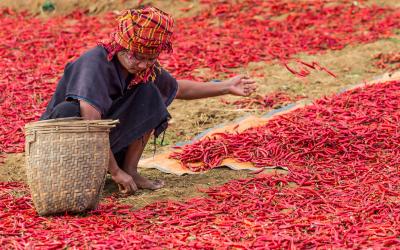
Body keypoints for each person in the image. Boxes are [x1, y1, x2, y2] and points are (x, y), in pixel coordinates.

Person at [40, 6, 257, 194]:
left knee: (150, 92)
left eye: (150, 59)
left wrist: (226, 87)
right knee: (69, 111)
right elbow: (90, 123)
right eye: (137, 57)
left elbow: (177, 88)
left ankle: (131, 170)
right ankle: (95, 172)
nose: (143, 65)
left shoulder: (142, 69)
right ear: (120, 47)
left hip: (101, 146)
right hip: (63, 147)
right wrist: (114, 172)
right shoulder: (95, 63)